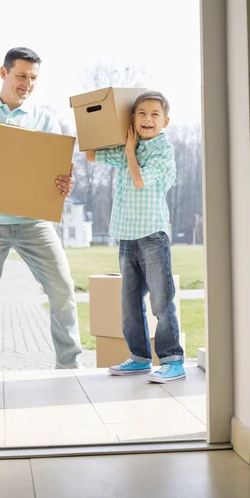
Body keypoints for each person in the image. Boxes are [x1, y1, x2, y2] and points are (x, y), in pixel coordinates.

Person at [0, 47, 82, 371]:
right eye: (21, 75)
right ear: (4, 73)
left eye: (33, 78)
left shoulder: (44, 119)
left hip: (34, 223)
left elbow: (58, 171)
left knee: (63, 290)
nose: (27, 83)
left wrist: (65, 184)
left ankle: (70, 366)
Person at [86, 91, 185, 383]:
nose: (147, 119)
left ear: (165, 121)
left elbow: (139, 180)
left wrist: (129, 152)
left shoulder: (161, 150)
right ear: (132, 118)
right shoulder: (130, 144)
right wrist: (97, 122)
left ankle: (172, 360)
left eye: (155, 115)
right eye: (141, 113)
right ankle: (140, 358)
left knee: (161, 302)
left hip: (153, 235)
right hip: (127, 236)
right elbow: (91, 154)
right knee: (130, 304)